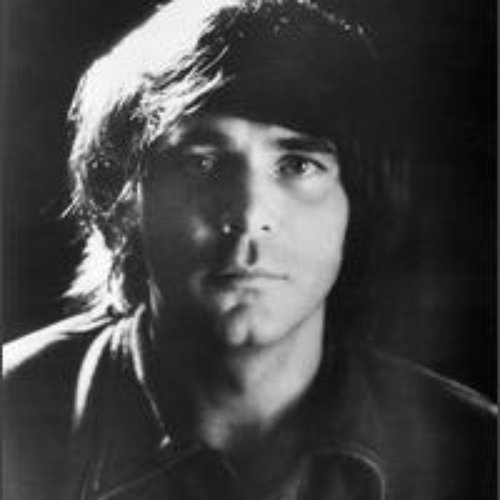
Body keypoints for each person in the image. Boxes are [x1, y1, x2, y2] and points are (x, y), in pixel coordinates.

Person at [3, 1, 496, 499]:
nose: (249, 212)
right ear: (125, 202)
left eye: (298, 164)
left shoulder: (477, 451)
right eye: (201, 163)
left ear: (356, 206)